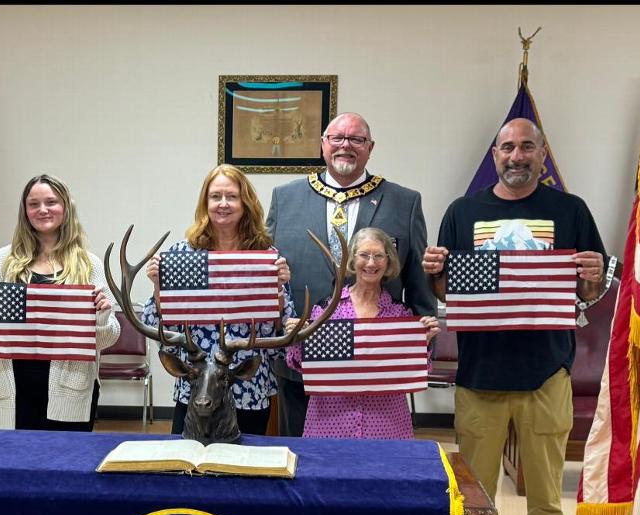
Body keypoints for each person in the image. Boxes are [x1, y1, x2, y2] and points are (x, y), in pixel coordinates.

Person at [423, 117, 607, 515]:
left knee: (547, 497)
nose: (517, 155)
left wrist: (592, 277)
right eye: (508, 147)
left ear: (542, 153)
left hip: (547, 370)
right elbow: (446, 292)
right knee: (475, 496)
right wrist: (435, 273)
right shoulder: (464, 212)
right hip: (479, 373)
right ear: (496, 153)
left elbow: (588, 292)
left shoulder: (570, 211)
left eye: (527, 146)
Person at [267, 111, 437, 437]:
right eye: (337, 138)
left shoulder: (404, 202)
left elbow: (418, 285)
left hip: (377, 372)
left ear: (370, 148)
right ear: (322, 145)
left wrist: (419, 345)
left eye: (356, 139)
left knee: (375, 465)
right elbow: (269, 271)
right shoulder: (285, 198)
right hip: (303, 360)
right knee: (303, 462)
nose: (346, 146)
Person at [141, 164, 294, 435]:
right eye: (216, 197)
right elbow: (162, 330)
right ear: (205, 203)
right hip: (196, 389)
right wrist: (158, 288)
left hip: (247, 386)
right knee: (187, 465)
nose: (223, 204)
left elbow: (281, 334)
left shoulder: (263, 256)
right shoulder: (185, 255)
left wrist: (279, 293)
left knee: (245, 467)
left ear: (245, 202)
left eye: (232, 196)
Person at [0, 174, 118, 429]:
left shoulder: (89, 266)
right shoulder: (2, 262)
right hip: (11, 387)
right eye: (34, 204)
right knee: (13, 464)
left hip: (70, 389)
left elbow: (108, 338)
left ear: (66, 207)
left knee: (64, 463)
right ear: (25, 211)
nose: (43, 209)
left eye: (51, 202)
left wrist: (101, 319)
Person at [286, 227, 439, 438]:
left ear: (388, 262)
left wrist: (424, 341)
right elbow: (301, 364)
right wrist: (297, 337)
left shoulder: (400, 314)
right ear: (352, 259)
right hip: (331, 422)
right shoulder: (327, 310)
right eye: (364, 255)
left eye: (378, 256)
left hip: (387, 423)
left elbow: (415, 369)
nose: (371, 263)